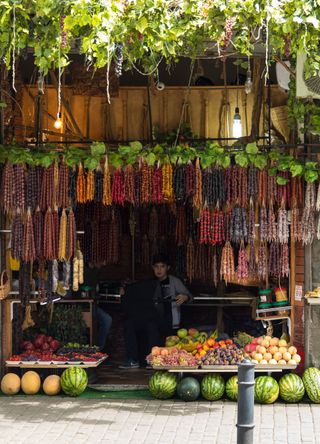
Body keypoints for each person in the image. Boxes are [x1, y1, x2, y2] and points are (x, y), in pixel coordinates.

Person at [119, 254, 192, 369]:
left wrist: (185, 297)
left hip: (170, 319)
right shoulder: (148, 282)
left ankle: (153, 362)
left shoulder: (174, 281)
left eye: (162, 267)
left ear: (167, 268)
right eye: (156, 267)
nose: (159, 270)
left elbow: (189, 296)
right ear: (152, 268)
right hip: (153, 318)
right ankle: (141, 360)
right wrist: (125, 292)